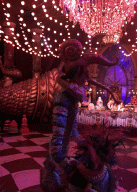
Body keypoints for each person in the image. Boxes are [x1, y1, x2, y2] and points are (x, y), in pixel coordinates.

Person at [41, 39, 120, 192]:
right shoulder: (63, 98)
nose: (87, 77)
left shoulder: (71, 99)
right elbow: (56, 147)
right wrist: (68, 166)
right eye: (85, 73)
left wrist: (91, 145)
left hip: (61, 155)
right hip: (57, 160)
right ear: (77, 72)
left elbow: (73, 131)